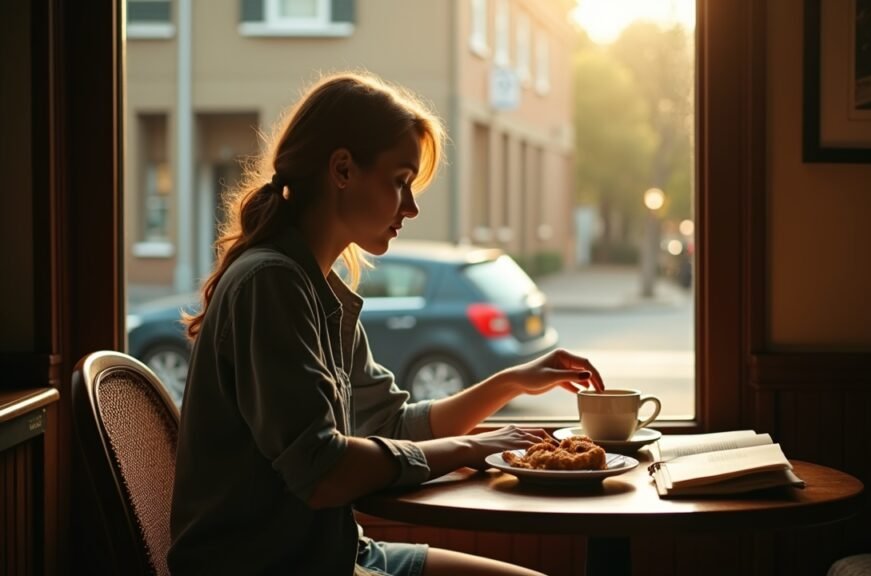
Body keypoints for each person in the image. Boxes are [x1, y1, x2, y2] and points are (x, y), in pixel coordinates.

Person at [168, 71, 604, 576]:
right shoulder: (271, 284)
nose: (412, 207)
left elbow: (390, 425)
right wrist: (472, 447)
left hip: (336, 556)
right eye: (400, 182)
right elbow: (322, 471)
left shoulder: (318, 289)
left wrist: (511, 381)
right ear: (343, 170)